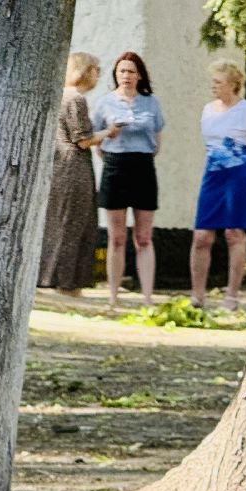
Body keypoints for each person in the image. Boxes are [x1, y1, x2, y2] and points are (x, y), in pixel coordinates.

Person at [39, 53, 123, 296]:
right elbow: (83, 140)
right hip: (73, 167)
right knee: (75, 224)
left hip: (58, 167)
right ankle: (66, 282)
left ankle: (53, 278)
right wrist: (109, 131)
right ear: (85, 71)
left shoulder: (59, 96)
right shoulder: (75, 99)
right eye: (96, 70)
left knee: (59, 222)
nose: (98, 75)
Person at [190, 59, 246, 311]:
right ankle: (197, 296)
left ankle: (232, 295)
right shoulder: (208, 110)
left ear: (233, 85)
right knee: (202, 236)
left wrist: (244, 172)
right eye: (212, 81)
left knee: (234, 234)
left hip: (239, 176)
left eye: (218, 82)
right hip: (213, 175)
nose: (213, 86)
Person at [90, 51, 164, 307]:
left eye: (131, 71)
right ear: (116, 75)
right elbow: (96, 139)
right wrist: (110, 139)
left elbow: (157, 141)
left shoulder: (151, 102)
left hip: (143, 166)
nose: (126, 76)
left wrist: (140, 153)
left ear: (139, 75)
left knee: (143, 237)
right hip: (115, 167)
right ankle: (113, 296)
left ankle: (147, 297)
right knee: (117, 237)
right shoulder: (105, 103)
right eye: (122, 71)